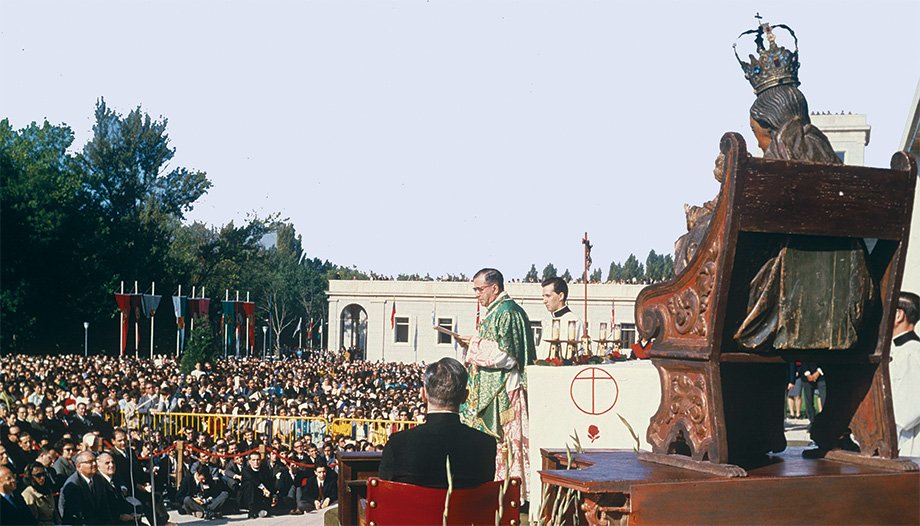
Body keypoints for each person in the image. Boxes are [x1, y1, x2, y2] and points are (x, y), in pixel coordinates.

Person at [455, 268, 535, 501]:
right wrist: (472, 343)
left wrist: (474, 345)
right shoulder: (495, 311)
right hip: (496, 388)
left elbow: (507, 356)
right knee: (500, 445)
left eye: (480, 289)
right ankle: (499, 491)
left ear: (495, 288)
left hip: (506, 390)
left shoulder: (508, 312)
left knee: (509, 443)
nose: (477, 295)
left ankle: (512, 494)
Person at [379, 357, 495, 488]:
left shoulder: (398, 444)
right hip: (466, 509)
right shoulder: (486, 445)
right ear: (465, 397)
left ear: (423, 394)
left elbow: (385, 495)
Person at [891, 291, 920, 456]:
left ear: (898, 315)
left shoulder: (912, 352)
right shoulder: (899, 350)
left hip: (907, 446)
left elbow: (908, 411)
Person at [94, 452, 140, 524]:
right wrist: (120, 516)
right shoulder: (97, 482)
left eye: (113, 462)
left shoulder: (114, 479)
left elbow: (120, 500)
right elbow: (103, 508)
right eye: (107, 463)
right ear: (98, 466)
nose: (111, 465)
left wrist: (133, 513)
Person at [58, 450, 102, 525]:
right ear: (78, 466)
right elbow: (75, 516)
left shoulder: (98, 479)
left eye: (95, 461)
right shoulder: (73, 485)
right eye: (90, 462)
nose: (94, 464)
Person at [539, 277, 578, 360]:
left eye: (548, 296)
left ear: (561, 296)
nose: (544, 301)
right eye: (543, 296)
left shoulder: (574, 321)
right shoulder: (549, 321)